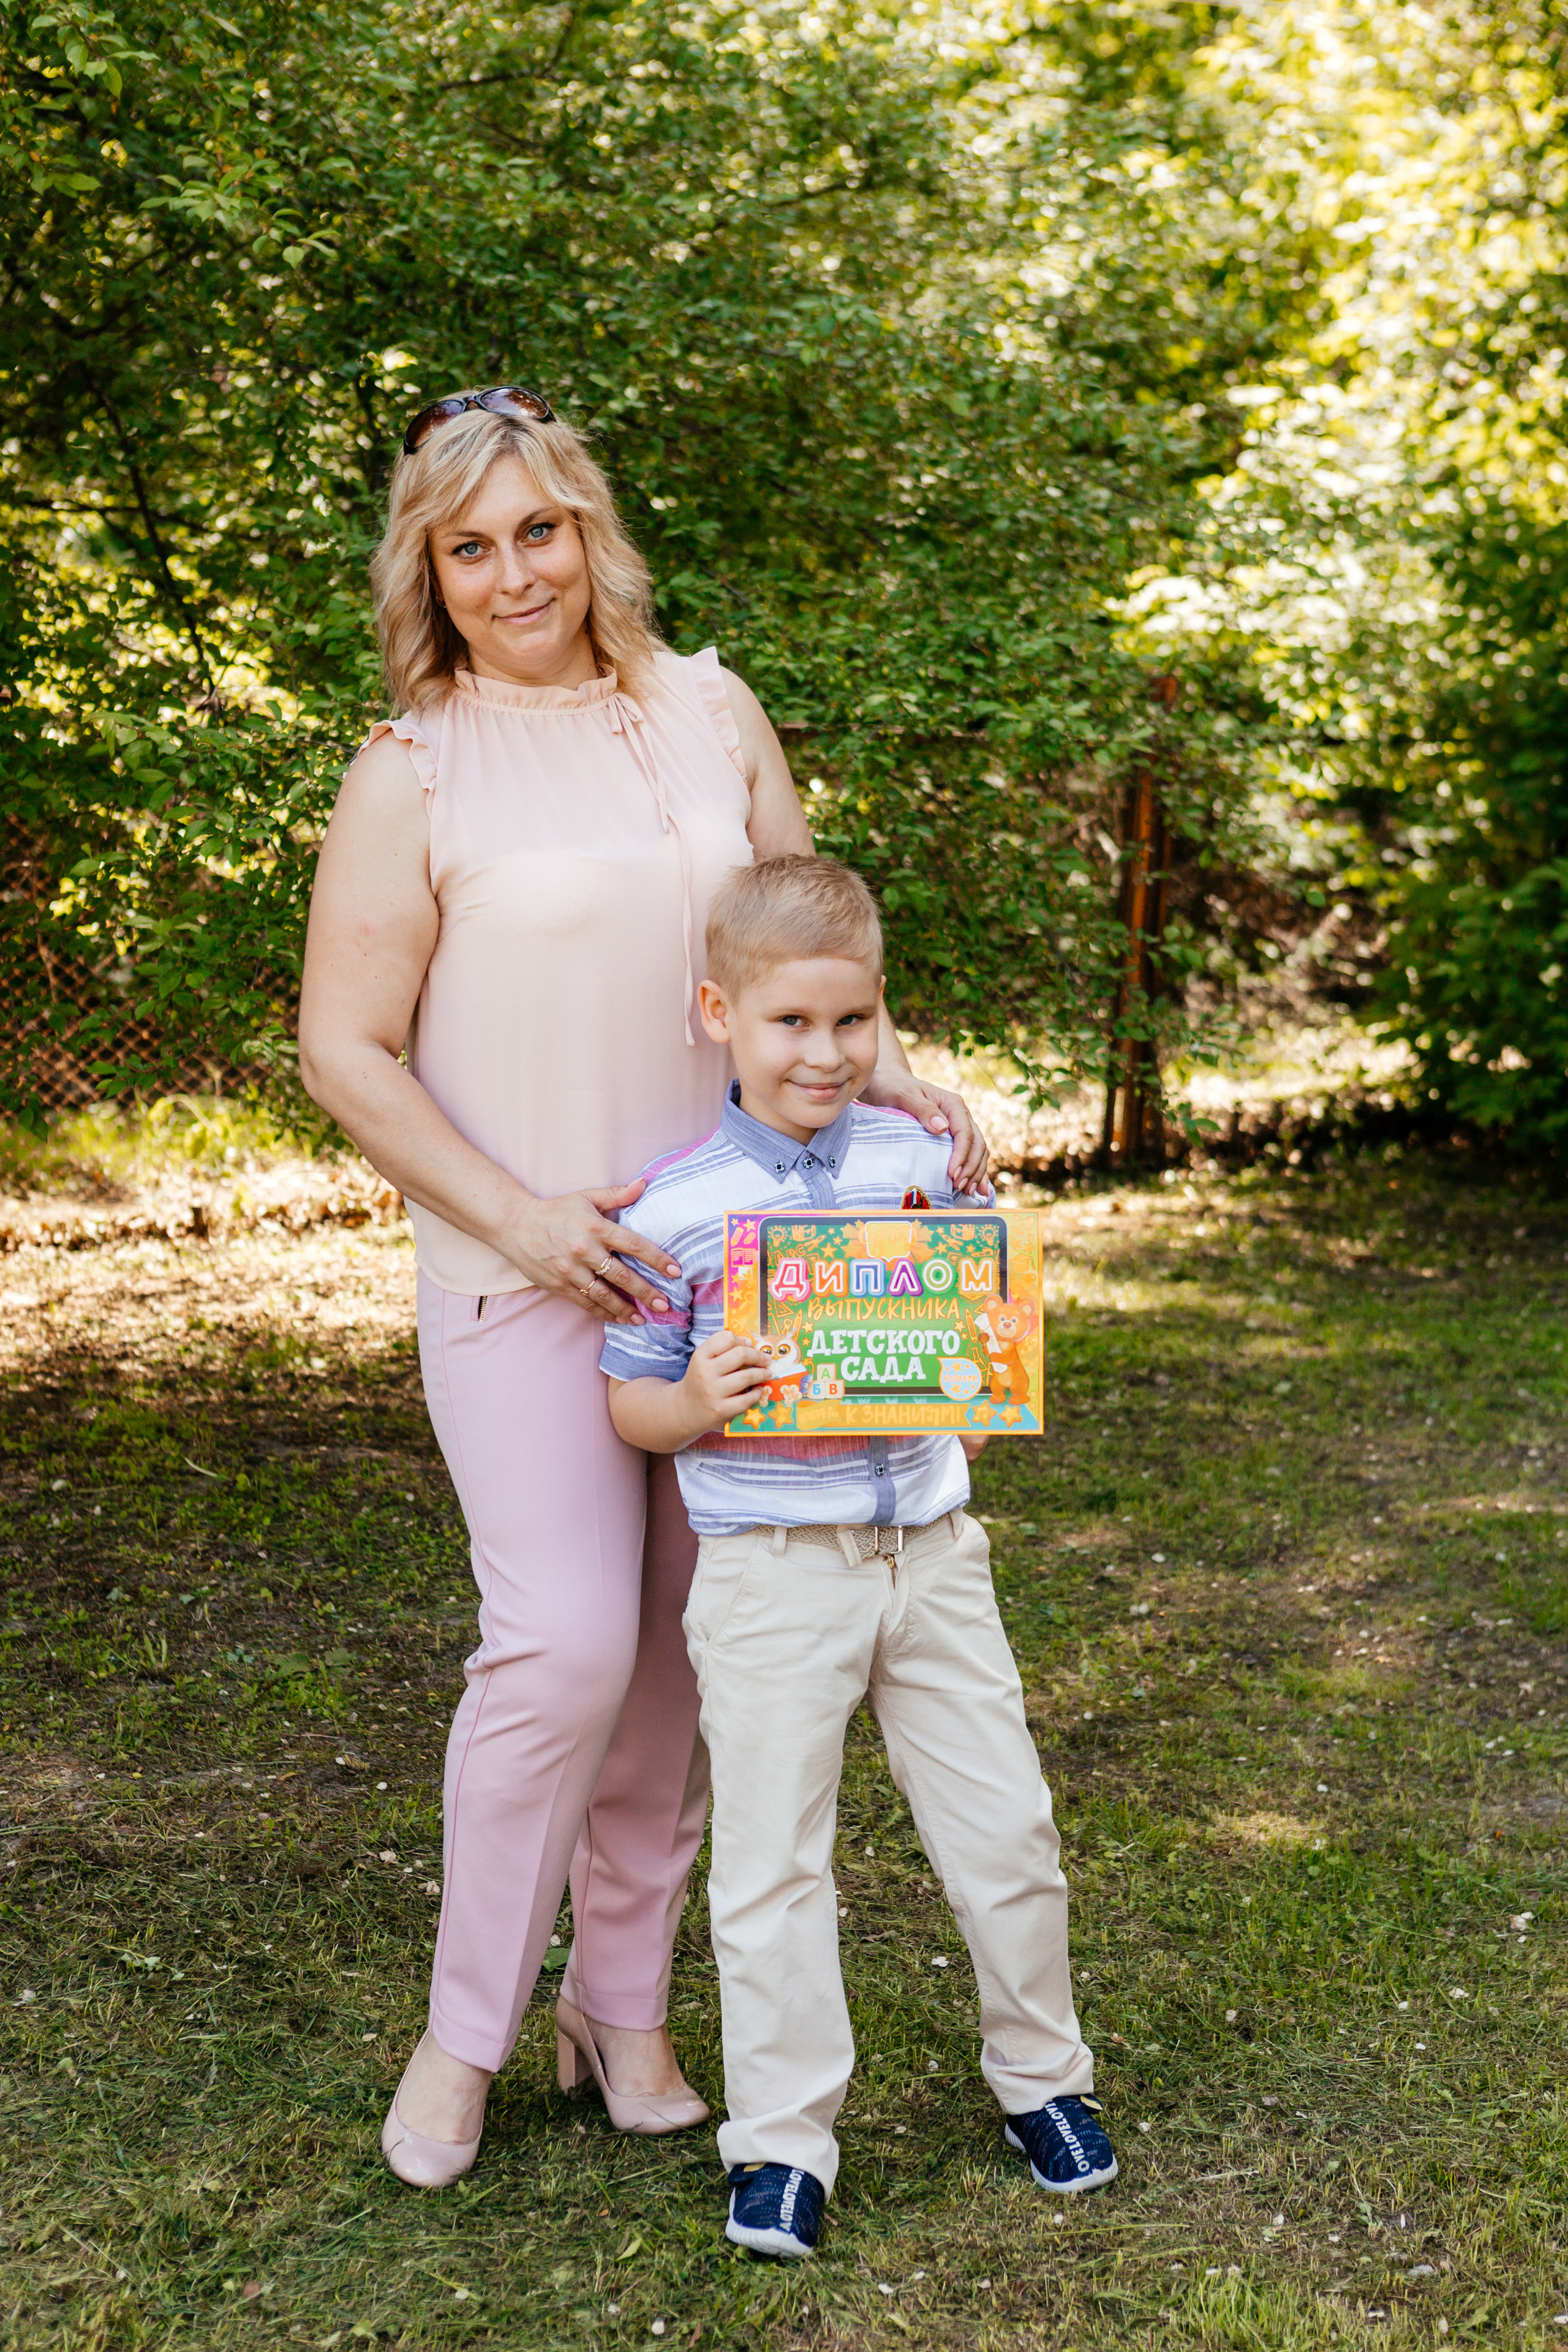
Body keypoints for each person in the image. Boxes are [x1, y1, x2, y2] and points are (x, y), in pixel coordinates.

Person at [296, 384, 989, 2187]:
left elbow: (802, 953)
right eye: (469, 547)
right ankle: (466, 2032)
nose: (513, 572)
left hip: (747, 1267)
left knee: (694, 1649)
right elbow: (344, 1050)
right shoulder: (411, 770)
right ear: (428, 574)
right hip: (527, 1272)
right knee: (565, 1645)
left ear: (588, 528)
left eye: (538, 528)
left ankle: (623, 2008)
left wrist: (907, 1086)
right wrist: (523, 1220)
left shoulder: (709, 711)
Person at [601, 854, 1116, 2258]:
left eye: (851, 1021)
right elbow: (631, 1407)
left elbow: (978, 1332)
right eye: (790, 1022)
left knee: (1006, 1832)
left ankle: (1043, 2080)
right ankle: (780, 2145)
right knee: (771, 1866)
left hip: (933, 1551)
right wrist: (694, 1400)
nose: (823, 1053)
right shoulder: (671, 1209)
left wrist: (976, 1324)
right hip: (771, 1574)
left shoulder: (920, 1165)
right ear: (720, 1013)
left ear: (880, 1015)